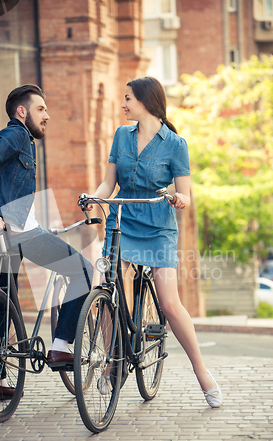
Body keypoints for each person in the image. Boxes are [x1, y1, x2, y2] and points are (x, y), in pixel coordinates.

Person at [86, 76, 223, 408]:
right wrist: (93, 198)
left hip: (159, 224)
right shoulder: (121, 135)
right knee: (112, 288)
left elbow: (185, 194)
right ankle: (113, 361)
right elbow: (108, 184)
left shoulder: (175, 144)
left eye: (128, 98)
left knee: (170, 304)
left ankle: (202, 372)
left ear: (145, 101)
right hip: (124, 219)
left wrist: (179, 200)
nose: (123, 104)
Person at [0, 84, 93, 401]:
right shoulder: (17, 135)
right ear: (22, 112)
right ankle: (61, 347)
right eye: (41, 109)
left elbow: (8, 187)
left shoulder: (22, 142)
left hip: (3, 231)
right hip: (15, 231)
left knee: (4, 298)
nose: (47, 115)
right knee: (83, 270)